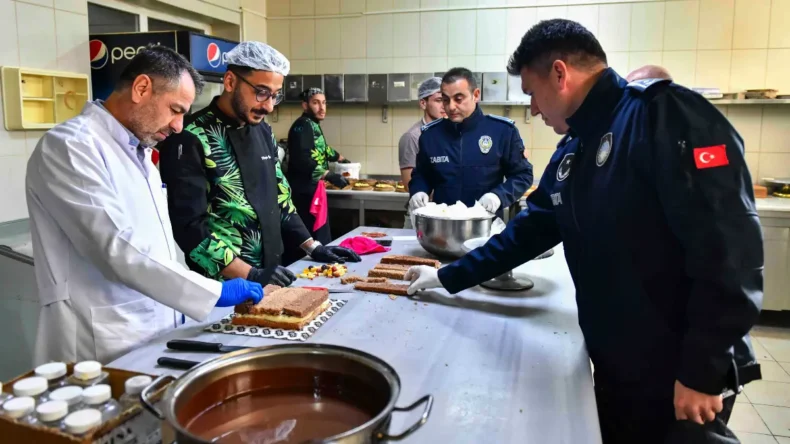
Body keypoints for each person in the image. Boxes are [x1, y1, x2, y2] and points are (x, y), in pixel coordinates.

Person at [405, 20, 762, 444]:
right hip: (619, 365)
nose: (533, 109)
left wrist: (702, 370)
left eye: (532, 93)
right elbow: (528, 233)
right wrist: (447, 277)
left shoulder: (661, 116)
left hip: (678, 370)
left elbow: (730, 253)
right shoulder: (574, 149)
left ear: (560, 74)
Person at [26, 46, 263, 365]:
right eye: (175, 110)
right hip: (99, 337)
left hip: (154, 326)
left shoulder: (139, 152)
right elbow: (116, 247)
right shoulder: (72, 146)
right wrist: (211, 291)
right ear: (141, 88)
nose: (179, 126)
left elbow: (155, 246)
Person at [158, 42, 360, 290]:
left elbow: (281, 197)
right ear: (230, 82)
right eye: (261, 92)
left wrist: (313, 246)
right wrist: (250, 274)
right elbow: (189, 227)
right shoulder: (189, 137)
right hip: (224, 286)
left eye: (275, 95)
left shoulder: (262, 130)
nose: (269, 106)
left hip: (272, 272)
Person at [408, 68, 533, 218]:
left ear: (476, 95)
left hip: (485, 225)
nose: (451, 107)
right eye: (445, 100)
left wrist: (499, 196)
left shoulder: (502, 131)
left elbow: (522, 175)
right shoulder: (431, 136)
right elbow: (422, 175)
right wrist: (419, 190)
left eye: (458, 99)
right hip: (444, 225)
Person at [285, 88, 350, 254]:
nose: (322, 108)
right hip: (303, 191)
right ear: (305, 105)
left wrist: (339, 158)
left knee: (319, 233)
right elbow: (302, 158)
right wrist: (328, 174)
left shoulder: (312, 124)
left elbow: (322, 148)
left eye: (324, 103)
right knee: (312, 235)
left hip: (313, 189)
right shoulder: (302, 126)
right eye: (316, 103)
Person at [398, 77, 446, 229]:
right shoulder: (412, 136)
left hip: (445, 215)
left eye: (446, 100)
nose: (444, 105)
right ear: (423, 103)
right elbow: (409, 183)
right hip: (422, 217)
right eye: (438, 100)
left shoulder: (449, 134)